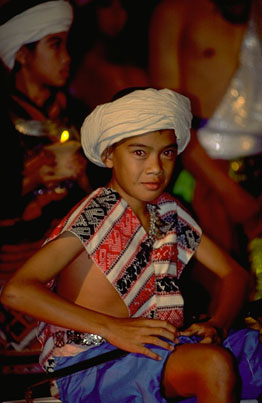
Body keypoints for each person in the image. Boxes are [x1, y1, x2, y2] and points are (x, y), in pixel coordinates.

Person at [1, 88, 262, 402]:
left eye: (166, 152)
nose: (155, 167)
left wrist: (217, 324)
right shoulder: (96, 213)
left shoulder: (168, 212)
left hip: (158, 348)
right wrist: (113, 328)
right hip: (94, 361)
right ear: (109, 155)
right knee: (213, 365)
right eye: (139, 152)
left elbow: (234, 275)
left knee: (252, 352)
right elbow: (17, 291)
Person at [148, 0, 262, 305]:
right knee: (222, 292)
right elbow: (168, 117)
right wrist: (226, 190)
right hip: (204, 170)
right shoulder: (176, 12)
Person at [0, 0, 91, 366]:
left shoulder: (80, 115)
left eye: (67, 44)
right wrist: (29, 178)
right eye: (55, 45)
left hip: (71, 271)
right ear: (22, 54)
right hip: (13, 277)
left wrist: (86, 175)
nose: (67, 56)